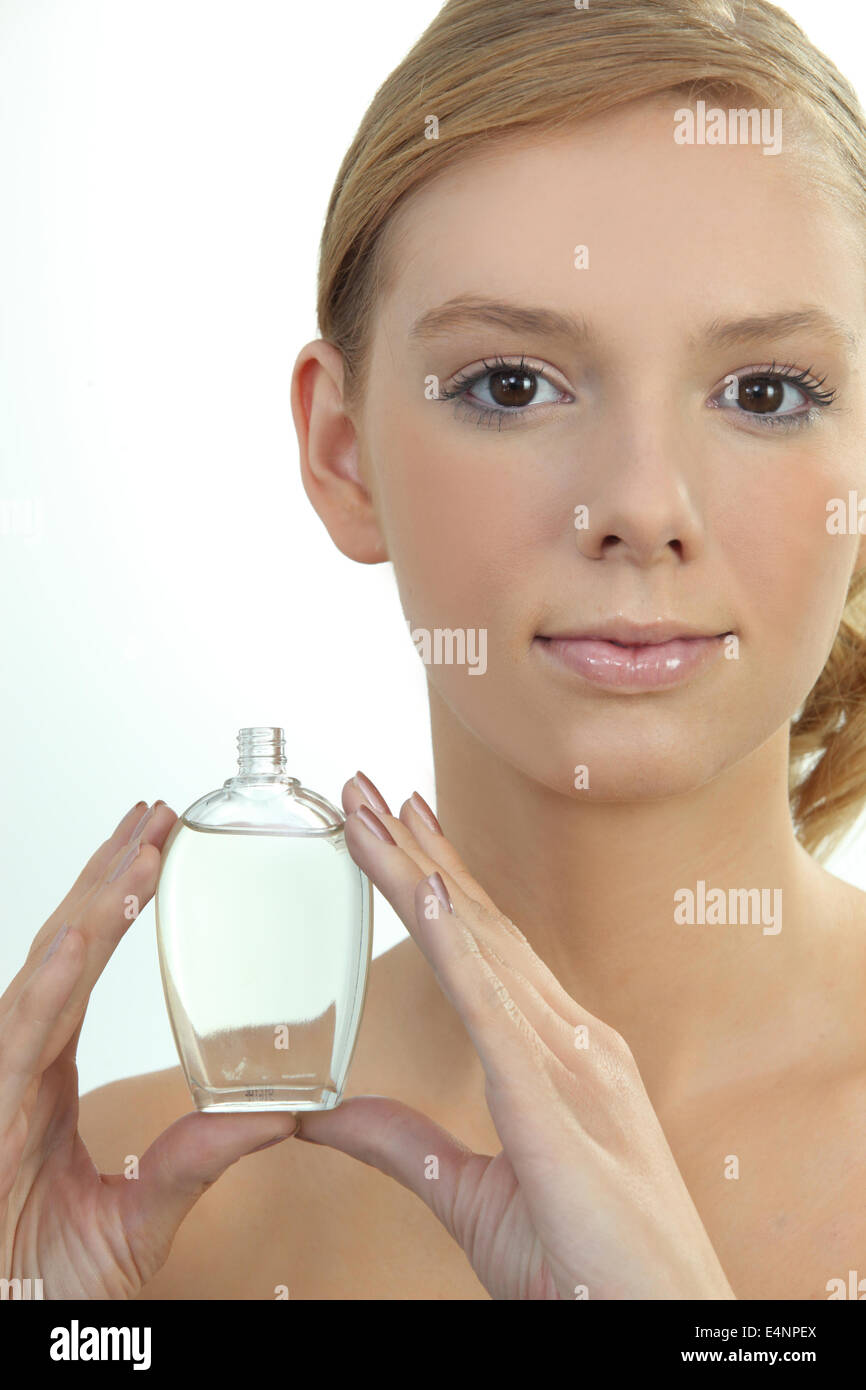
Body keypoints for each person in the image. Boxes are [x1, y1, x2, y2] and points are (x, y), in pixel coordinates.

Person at [5, 0, 866, 1300]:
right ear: (341, 453)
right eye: (510, 384)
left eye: (763, 392)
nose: (638, 504)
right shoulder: (112, 1199)